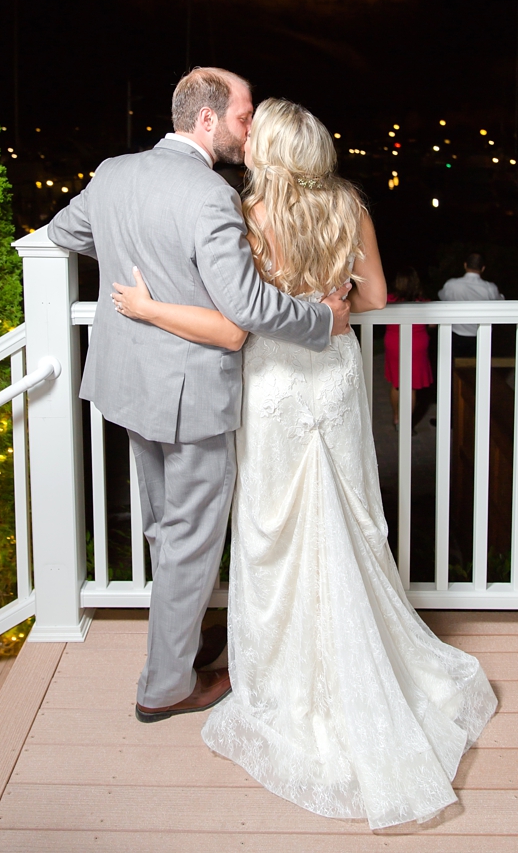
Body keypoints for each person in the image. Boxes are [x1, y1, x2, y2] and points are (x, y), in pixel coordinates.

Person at [110, 98, 496, 830]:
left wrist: (153, 304)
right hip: (336, 373)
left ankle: (281, 672)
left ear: (275, 152)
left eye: (257, 135)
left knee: (273, 525)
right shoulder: (350, 204)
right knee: (347, 509)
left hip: (278, 379)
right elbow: (379, 296)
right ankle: (365, 662)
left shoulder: (248, 213)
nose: (246, 141)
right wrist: (336, 296)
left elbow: (239, 312)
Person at [45, 68, 351, 725]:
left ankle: (178, 644)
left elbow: (63, 234)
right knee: (190, 536)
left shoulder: (113, 173)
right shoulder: (211, 196)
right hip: (188, 395)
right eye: (243, 115)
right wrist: (322, 318)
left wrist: (136, 253)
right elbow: (244, 305)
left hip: (127, 383)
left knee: (165, 528)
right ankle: (165, 686)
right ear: (207, 120)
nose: (249, 126)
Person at [385, 267, 434, 428]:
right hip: (417, 343)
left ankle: (397, 417)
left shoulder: (388, 300)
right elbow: (432, 324)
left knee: (397, 383)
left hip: (394, 342)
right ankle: (406, 424)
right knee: (411, 386)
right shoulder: (423, 303)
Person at [437, 252, 504, 360]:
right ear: (482, 268)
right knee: (480, 368)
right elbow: (500, 303)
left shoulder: (452, 285)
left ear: (465, 265)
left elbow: (442, 296)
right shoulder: (489, 288)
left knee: (455, 370)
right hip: (481, 335)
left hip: (456, 335)